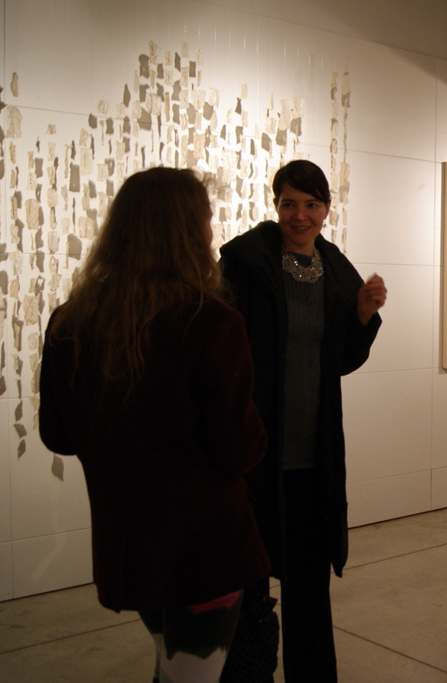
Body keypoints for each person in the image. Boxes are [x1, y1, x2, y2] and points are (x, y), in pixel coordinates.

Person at [38, 167, 270, 683]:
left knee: (174, 668)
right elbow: (238, 448)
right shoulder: (211, 324)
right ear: (188, 232)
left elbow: (58, 435)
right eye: (207, 220)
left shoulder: (69, 323)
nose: (213, 233)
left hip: (132, 549)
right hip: (206, 552)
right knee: (192, 675)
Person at [219, 159, 386, 683]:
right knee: (248, 584)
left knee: (310, 587)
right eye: (289, 203)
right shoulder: (244, 265)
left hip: (313, 456)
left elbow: (338, 359)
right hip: (255, 454)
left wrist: (360, 316)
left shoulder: (336, 270)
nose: (299, 215)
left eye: (311, 205)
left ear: (326, 209)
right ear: (275, 205)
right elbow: (223, 353)